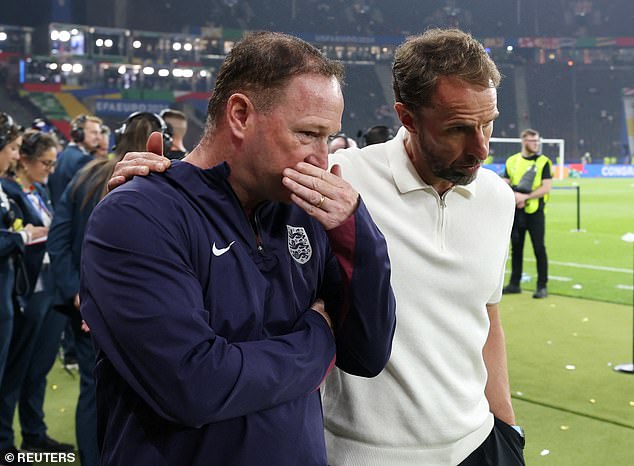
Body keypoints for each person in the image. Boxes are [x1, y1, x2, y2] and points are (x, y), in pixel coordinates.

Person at [109, 28, 523, 466]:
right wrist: (162, 186)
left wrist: (506, 425)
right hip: (363, 453)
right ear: (407, 118)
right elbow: (226, 176)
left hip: (479, 443)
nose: (481, 146)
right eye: (459, 128)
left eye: (488, 123)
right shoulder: (331, 182)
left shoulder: (496, 197)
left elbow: (484, 315)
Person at [81, 31, 396, 466]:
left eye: (329, 138)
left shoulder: (304, 214)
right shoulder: (139, 213)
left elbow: (368, 353)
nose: (321, 159)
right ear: (241, 115)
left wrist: (356, 228)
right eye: (308, 134)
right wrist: (318, 338)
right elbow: (193, 386)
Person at [48, 112, 172, 466]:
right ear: (157, 138)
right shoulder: (165, 179)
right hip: (142, 312)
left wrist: (77, 289)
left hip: (87, 305)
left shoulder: (87, 175)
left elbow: (58, 238)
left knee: (93, 389)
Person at [0, 129, 74, 462]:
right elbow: (17, 234)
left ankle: (34, 433)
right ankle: (4, 440)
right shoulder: (10, 191)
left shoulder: (38, 189)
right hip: (25, 289)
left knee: (39, 368)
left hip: (46, 286)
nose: (50, 169)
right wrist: (27, 234)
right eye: (45, 162)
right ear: (25, 161)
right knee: (15, 370)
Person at [502, 128, 553, 299]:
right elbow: (505, 182)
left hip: (535, 212)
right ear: (524, 141)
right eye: (533, 141)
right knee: (516, 248)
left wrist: (526, 196)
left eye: (537, 141)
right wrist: (514, 196)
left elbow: (546, 187)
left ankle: (542, 286)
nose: (536, 144)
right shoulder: (512, 161)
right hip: (517, 211)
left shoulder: (544, 161)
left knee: (539, 248)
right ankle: (514, 284)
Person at [48, 114, 102, 206]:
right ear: (78, 133)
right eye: (94, 133)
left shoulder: (64, 156)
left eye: (99, 133)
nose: (99, 137)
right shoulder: (83, 160)